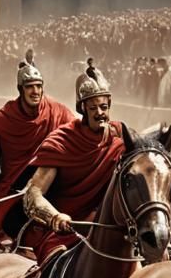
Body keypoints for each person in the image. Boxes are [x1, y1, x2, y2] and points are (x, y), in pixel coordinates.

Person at [20, 64, 126, 264]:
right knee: (52, 267)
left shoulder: (120, 136)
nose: (99, 113)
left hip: (108, 230)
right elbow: (32, 194)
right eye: (93, 107)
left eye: (104, 107)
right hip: (68, 231)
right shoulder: (62, 141)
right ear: (83, 108)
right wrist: (55, 217)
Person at [0, 58, 73, 242]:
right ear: (20, 89)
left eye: (39, 86)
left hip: (49, 184)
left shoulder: (56, 111)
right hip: (13, 191)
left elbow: (77, 130)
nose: (35, 91)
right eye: (30, 87)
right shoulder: (3, 119)